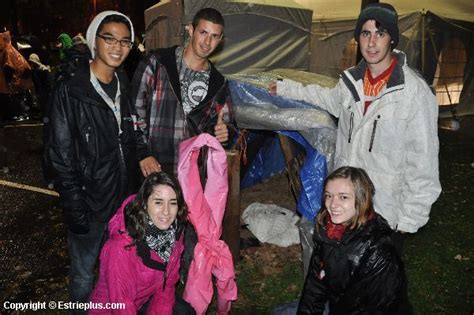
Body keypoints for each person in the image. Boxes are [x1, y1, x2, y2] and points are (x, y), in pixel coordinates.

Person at [271, 3, 441, 245]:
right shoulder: (351, 82)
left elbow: (423, 162)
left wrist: (408, 220)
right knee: (342, 274)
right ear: (358, 39)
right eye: (365, 33)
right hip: (346, 205)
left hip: (384, 211)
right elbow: (324, 96)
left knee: (375, 280)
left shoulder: (413, 92)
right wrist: (285, 87)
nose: (372, 43)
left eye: (380, 34)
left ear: (392, 39)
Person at [43, 11, 156, 310]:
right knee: (83, 274)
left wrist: (142, 154)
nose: (117, 47)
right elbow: (60, 154)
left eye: (125, 41)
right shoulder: (71, 89)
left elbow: (130, 128)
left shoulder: (122, 80)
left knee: (115, 268)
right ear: (95, 40)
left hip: (122, 199)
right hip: (89, 202)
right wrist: (74, 206)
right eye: (110, 39)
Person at [131, 7, 236, 177]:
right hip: (153, 167)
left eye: (214, 36)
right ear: (191, 30)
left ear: (221, 39)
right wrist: (143, 153)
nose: (207, 42)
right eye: (203, 32)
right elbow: (134, 111)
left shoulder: (219, 83)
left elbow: (227, 124)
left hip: (192, 173)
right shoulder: (158, 63)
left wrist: (226, 132)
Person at [298, 166, 406, 314]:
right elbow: (315, 285)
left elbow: (372, 309)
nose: (333, 204)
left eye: (343, 197)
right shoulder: (327, 231)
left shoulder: (378, 251)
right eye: (329, 196)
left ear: (362, 200)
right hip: (338, 305)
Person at [89, 172, 194, 314]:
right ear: (144, 205)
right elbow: (123, 305)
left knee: (185, 312)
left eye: (173, 203)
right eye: (158, 202)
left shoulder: (173, 234)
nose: (166, 212)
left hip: (143, 300)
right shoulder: (122, 246)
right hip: (113, 309)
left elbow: (166, 287)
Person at [0, 26, 33, 122]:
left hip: (14, 80)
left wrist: (8, 81)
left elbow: (9, 67)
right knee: (17, 98)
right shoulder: (9, 49)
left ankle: (20, 114)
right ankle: (20, 113)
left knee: (16, 98)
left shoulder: (7, 51)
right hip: (15, 79)